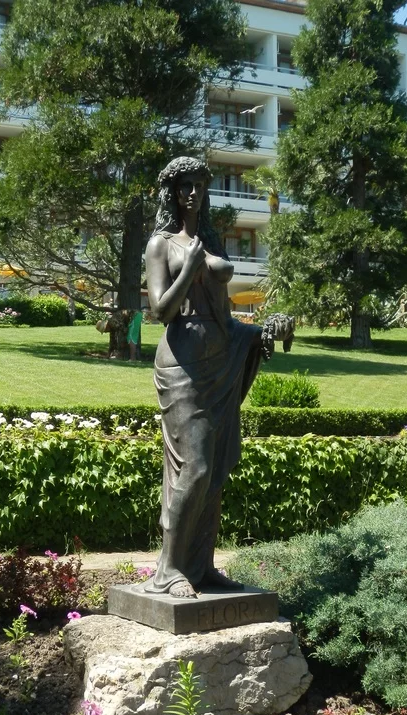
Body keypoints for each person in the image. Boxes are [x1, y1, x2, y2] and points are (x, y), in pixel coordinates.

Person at [144, 156, 267, 599]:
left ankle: (201, 567)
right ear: (172, 193)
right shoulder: (160, 245)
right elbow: (161, 310)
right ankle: (168, 568)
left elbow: (223, 313)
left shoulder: (211, 241)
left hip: (219, 359)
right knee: (193, 469)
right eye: (185, 185)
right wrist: (192, 266)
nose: (193, 192)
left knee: (213, 472)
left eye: (199, 184)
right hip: (181, 365)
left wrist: (256, 334)